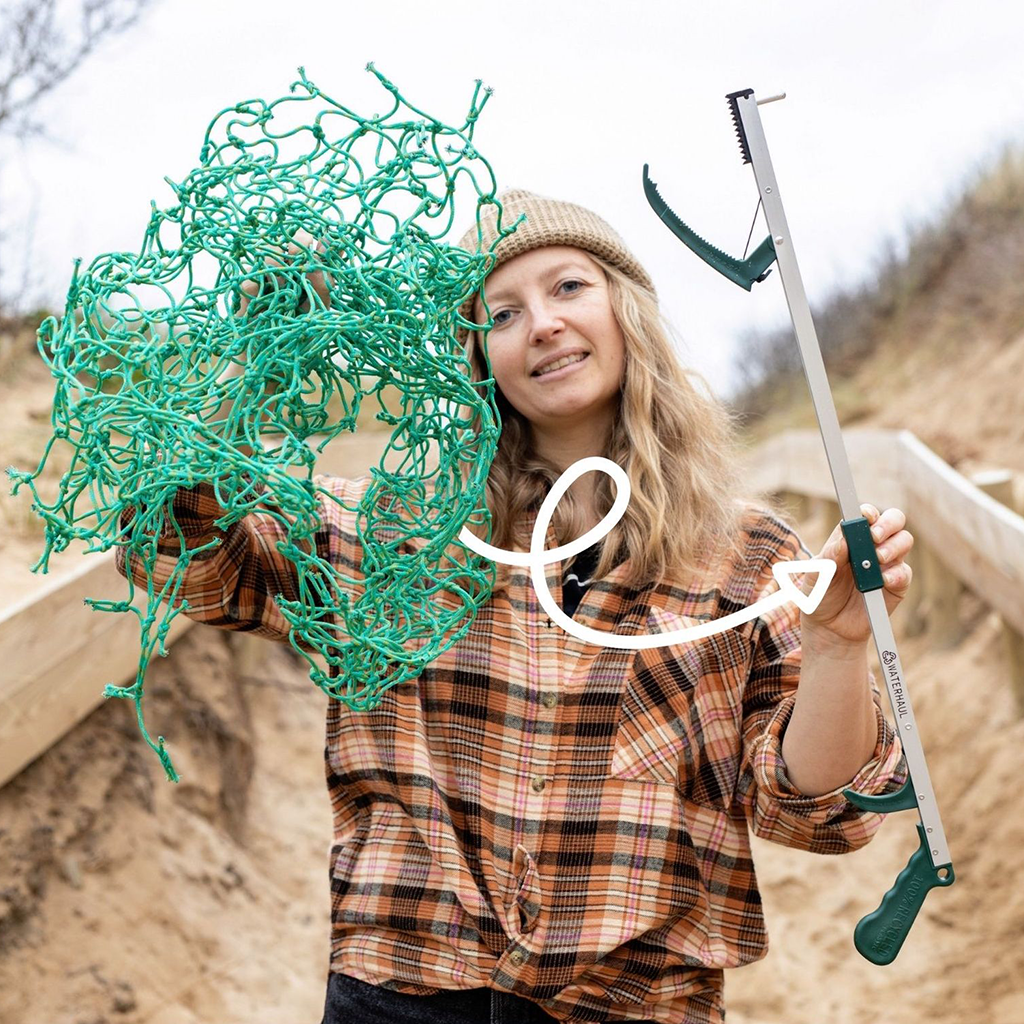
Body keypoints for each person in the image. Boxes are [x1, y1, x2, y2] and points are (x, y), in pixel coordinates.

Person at [116, 189, 912, 1024]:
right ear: (474, 354)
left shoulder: (748, 555)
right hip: (405, 986)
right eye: (502, 312)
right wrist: (261, 357)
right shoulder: (396, 533)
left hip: (631, 1003)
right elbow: (171, 551)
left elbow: (820, 811)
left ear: (627, 310)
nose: (542, 324)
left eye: (569, 287)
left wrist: (834, 652)